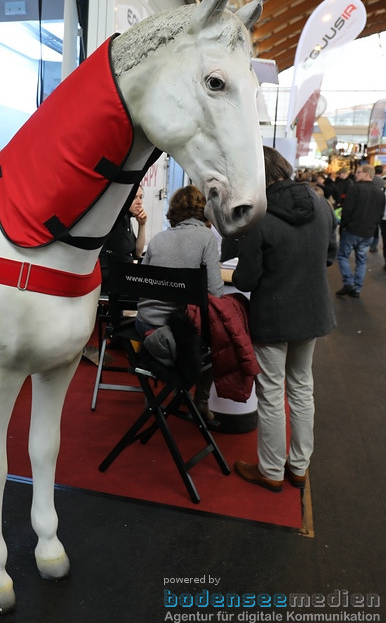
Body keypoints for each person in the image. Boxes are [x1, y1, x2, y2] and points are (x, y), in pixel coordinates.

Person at [231, 147, 337, 492]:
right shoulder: (321, 204)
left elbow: (246, 280)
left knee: (272, 394)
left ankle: (272, 471)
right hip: (313, 311)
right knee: (302, 388)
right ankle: (299, 467)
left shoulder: (259, 217)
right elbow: (330, 256)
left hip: (273, 316)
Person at [136, 184, 224, 420]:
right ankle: (200, 402)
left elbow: (141, 283)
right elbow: (215, 290)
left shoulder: (157, 239)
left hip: (145, 324)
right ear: (202, 211)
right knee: (221, 334)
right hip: (183, 330)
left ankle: (152, 400)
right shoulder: (207, 238)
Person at [335, 164, 385, 298]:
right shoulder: (380, 192)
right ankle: (356, 288)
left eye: (358, 172)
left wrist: (343, 225)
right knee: (361, 260)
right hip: (368, 231)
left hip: (352, 229)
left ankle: (348, 282)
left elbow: (347, 210)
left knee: (342, 256)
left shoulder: (355, 189)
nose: (355, 174)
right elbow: (381, 214)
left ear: (367, 174)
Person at [99, 185, 147, 284]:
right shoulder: (117, 221)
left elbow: (137, 253)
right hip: (112, 279)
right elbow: (123, 255)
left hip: (121, 275)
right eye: (134, 197)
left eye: (141, 197)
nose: (139, 202)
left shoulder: (127, 219)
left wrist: (142, 225)